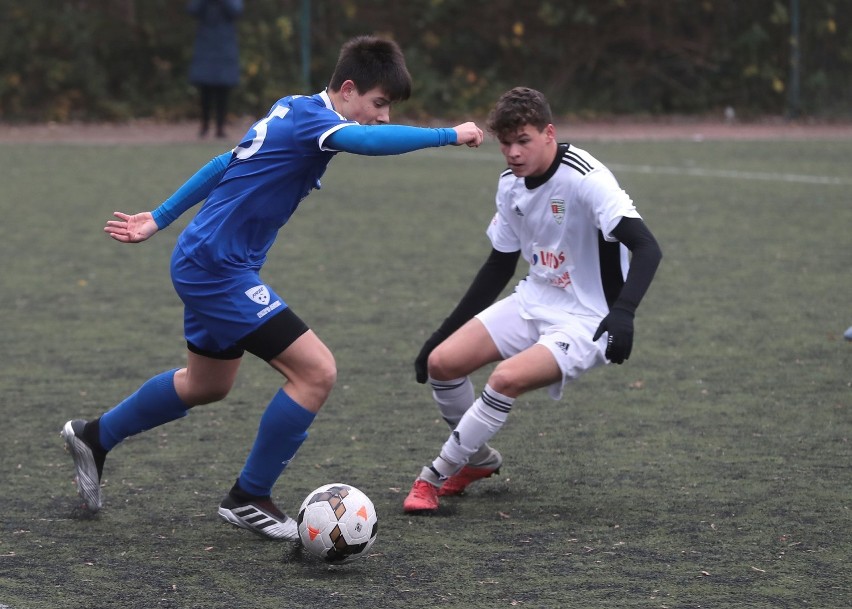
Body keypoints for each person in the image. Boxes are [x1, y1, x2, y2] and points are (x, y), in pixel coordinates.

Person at [61, 36, 484, 541]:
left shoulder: (292, 107)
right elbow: (368, 143)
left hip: (208, 259)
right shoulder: (315, 122)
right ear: (347, 91)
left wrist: (159, 217)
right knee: (316, 372)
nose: (383, 116)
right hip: (217, 269)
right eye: (378, 103)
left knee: (207, 384)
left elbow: (226, 163)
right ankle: (248, 496)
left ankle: (94, 436)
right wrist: (447, 134)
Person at [402, 87, 662, 514]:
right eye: (505, 143)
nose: (513, 153)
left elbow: (647, 247)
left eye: (523, 140)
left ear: (548, 134)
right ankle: (476, 461)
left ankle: (434, 476)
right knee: (442, 364)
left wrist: (624, 313)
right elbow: (498, 267)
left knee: (504, 379)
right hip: (535, 298)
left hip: (588, 319)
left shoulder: (586, 179)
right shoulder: (510, 186)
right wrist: (440, 334)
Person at [188, 0, 243, 138]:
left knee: (223, 90)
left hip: (225, 47)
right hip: (205, 46)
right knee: (204, 89)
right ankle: (204, 125)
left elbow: (236, 10)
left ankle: (220, 127)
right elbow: (192, 9)